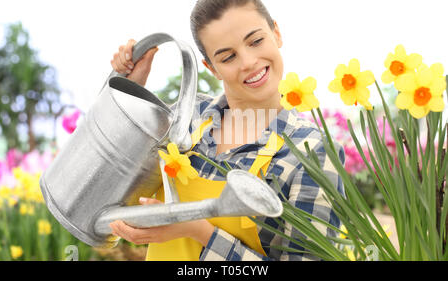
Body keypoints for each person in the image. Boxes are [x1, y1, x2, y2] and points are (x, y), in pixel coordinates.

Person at [109, 0, 345, 261]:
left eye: (255, 41)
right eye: (228, 57)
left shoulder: (311, 151)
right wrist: (130, 90)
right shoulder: (186, 117)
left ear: (276, 33)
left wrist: (197, 231)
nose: (249, 62)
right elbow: (109, 189)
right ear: (212, 67)